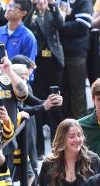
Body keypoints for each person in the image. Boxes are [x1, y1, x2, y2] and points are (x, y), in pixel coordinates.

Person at [26, 0, 64, 157]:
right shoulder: (31, 13)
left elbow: (61, 24)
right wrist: (31, 8)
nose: (41, 2)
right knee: (40, 101)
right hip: (38, 60)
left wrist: (53, 6)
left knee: (56, 101)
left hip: (53, 59)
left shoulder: (54, 11)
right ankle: (40, 149)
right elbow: (26, 25)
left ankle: (58, 146)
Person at [58, 0, 92, 119]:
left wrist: (59, 25)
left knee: (77, 92)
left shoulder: (83, 1)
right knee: (62, 92)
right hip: (58, 53)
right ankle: (63, 128)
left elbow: (83, 24)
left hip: (76, 52)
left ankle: (80, 126)